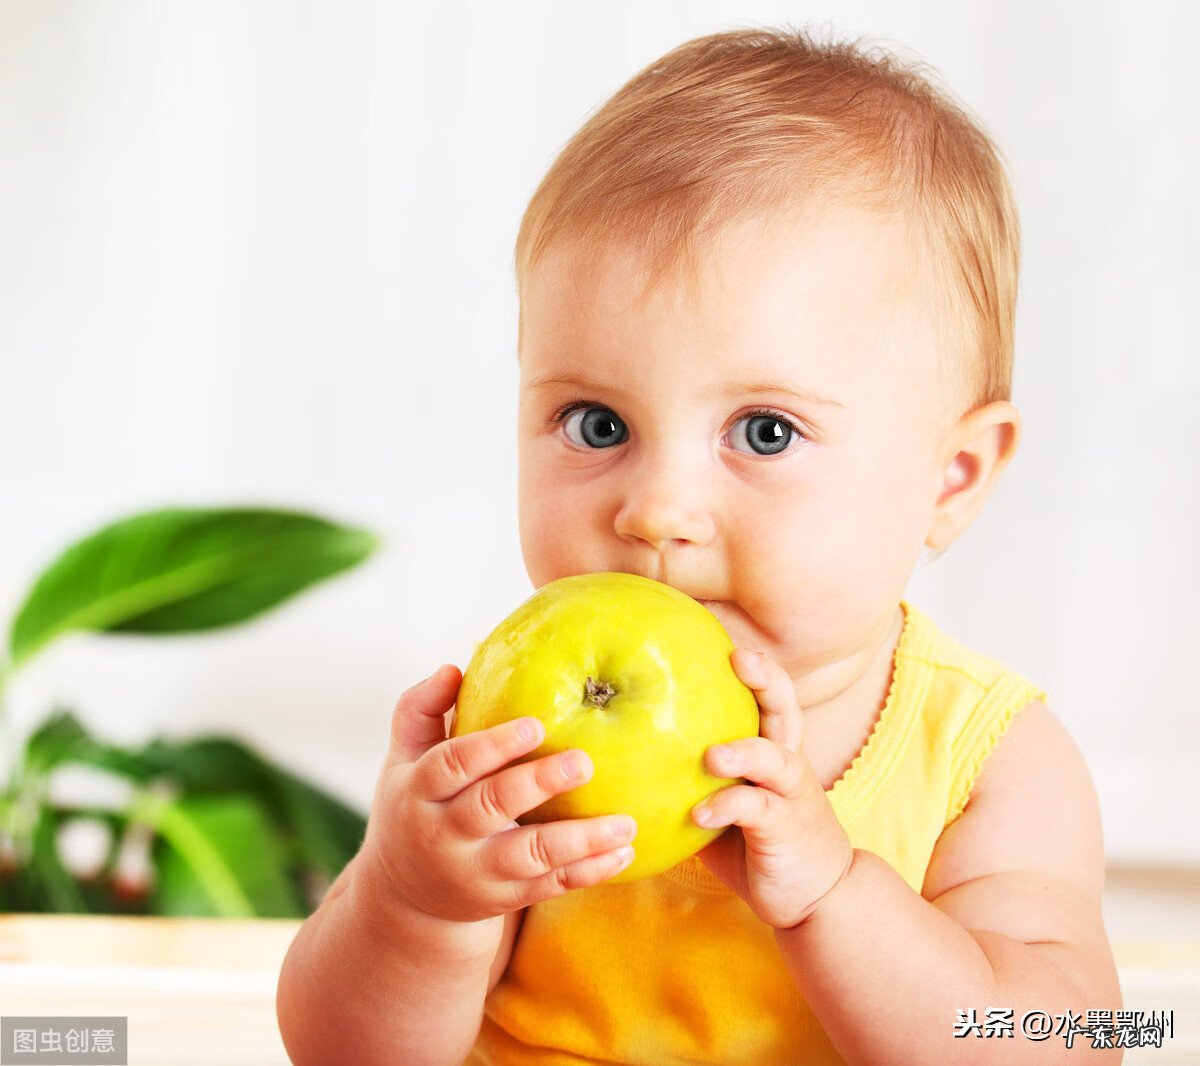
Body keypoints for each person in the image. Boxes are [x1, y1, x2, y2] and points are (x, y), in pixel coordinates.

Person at [277, 24, 1123, 1064]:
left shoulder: (988, 759)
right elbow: (341, 1053)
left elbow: (1069, 1042)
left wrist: (831, 893)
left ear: (951, 477)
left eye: (765, 432)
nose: (657, 509)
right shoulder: (514, 741)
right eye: (597, 424)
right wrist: (418, 903)